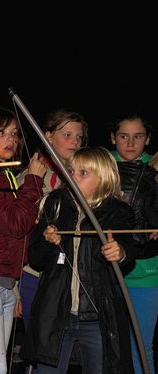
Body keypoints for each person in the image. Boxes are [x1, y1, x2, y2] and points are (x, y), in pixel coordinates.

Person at [21, 146, 136, 373]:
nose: (73, 178)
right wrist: (46, 240)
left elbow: (127, 251)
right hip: (56, 315)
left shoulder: (118, 211)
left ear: (103, 178)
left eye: (83, 173)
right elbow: (36, 259)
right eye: (71, 171)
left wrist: (119, 253)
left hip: (96, 318)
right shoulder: (55, 203)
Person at [0, 106, 45, 373]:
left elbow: (15, 233)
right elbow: (15, 225)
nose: (11, 140)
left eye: (14, 133)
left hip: (5, 282)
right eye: (1, 132)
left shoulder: (6, 174)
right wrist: (34, 180)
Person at [16, 109, 89, 331]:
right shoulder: (33, 174)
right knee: (38, 342)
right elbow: (17, 230)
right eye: (66, 135)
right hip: (33, 274)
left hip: (69, 277)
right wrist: (13, 287)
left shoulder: (87, 176)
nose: (74, 142)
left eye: (79, 137)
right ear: (48, 136)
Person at [109, 114, 158, 374]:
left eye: (138, 136)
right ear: (112, 138)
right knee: (109, 347)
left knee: (141, 344)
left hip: (147, 272)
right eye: (123, 136)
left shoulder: (156, 167)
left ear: (148, 139)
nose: (130, 143)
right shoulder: (100, 165)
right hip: (106, 270)